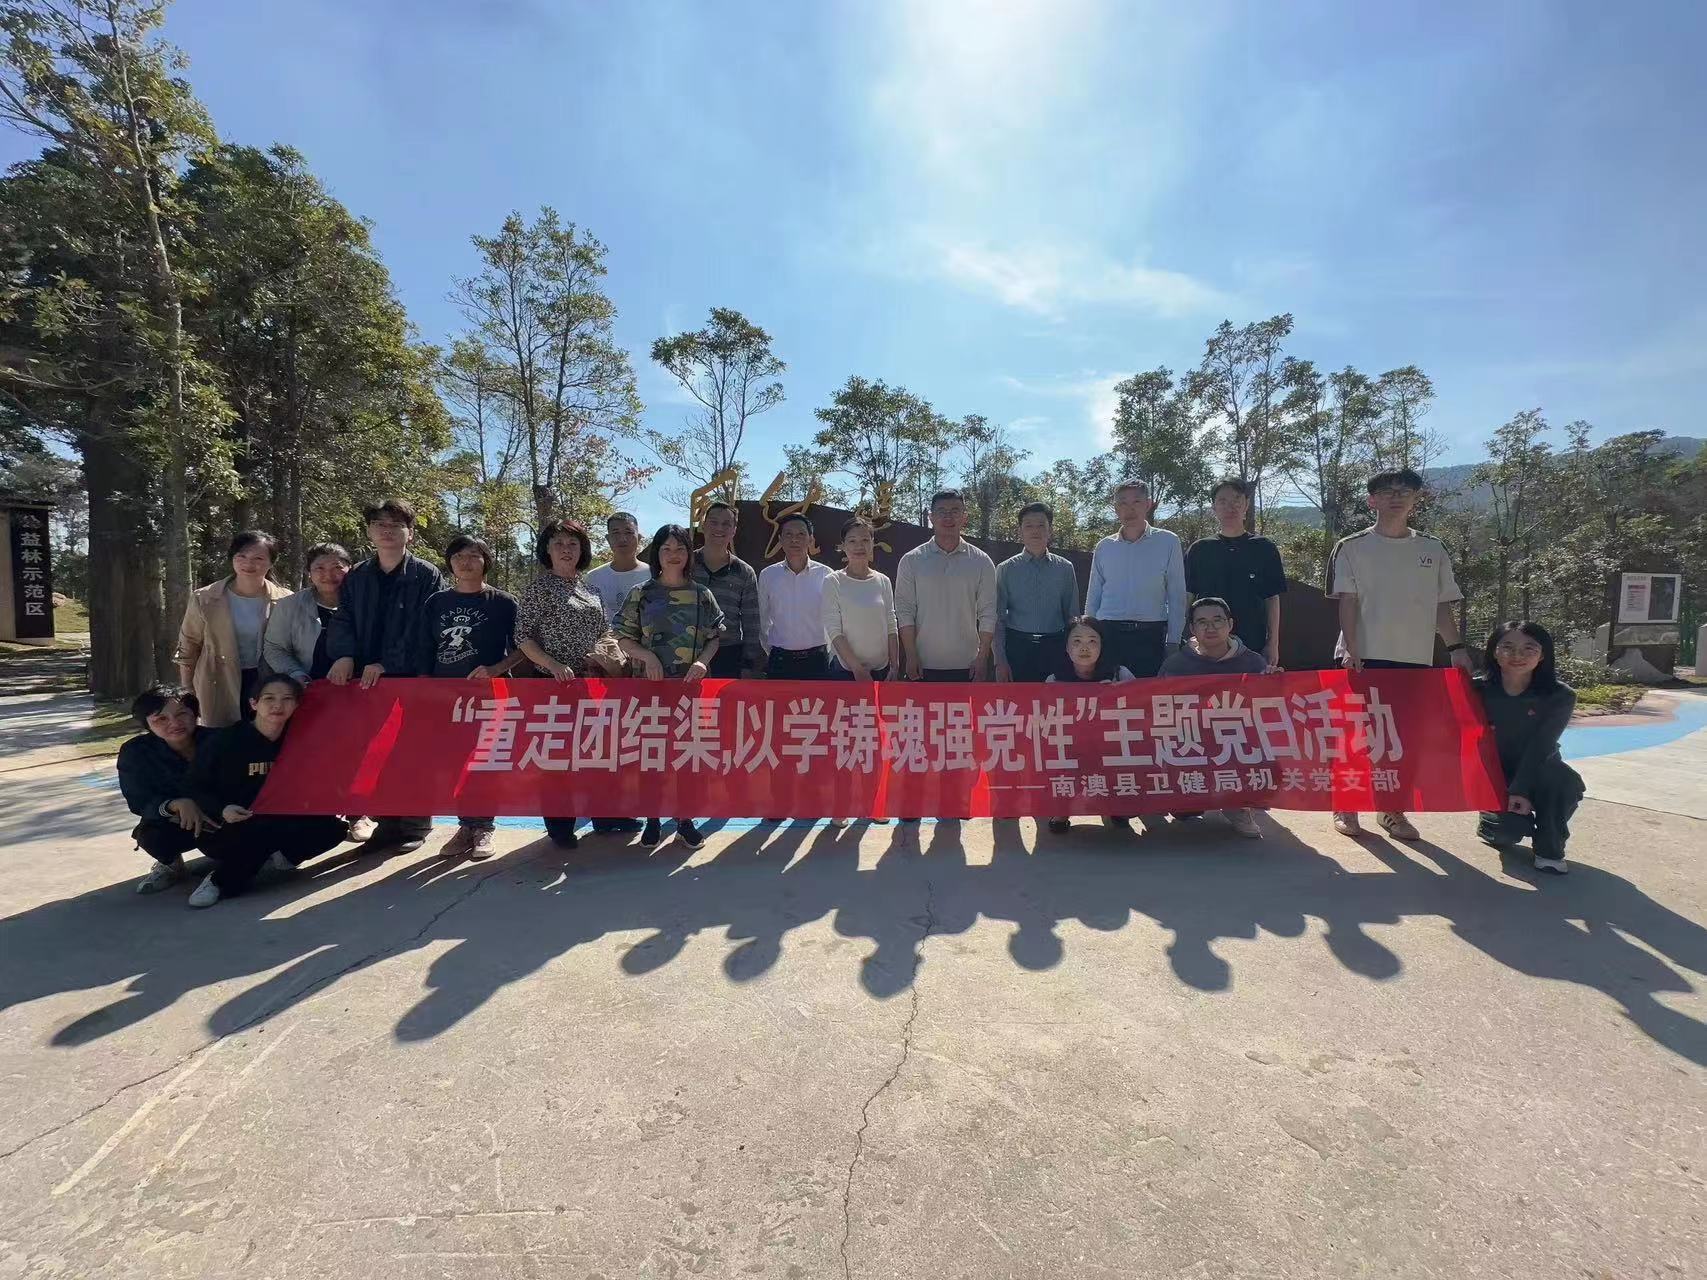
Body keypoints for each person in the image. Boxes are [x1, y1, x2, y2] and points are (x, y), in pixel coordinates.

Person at [1328, 467, 1471, 842]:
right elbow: (1347, 601)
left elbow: (1441, 605)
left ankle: (1391, 809)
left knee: (1402, 740)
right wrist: (1353, 648)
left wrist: (1456, 648)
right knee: (1357, 736)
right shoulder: (1352, 546)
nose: (1396, 497)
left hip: (1414, 659)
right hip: (1363, 657)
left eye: (1404, 491)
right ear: (1372, 500)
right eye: (1388, 491)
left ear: (1415, 499)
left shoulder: (1432, 549)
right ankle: (1346, 803)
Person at [325, 498, 444, 854]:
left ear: (410, 533)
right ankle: (385, 822)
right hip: (365, 682)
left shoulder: (426, 574)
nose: (387, 531)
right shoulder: (358, 576)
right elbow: (343, 617)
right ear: (369, 532)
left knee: (412, 751)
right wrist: (344, 654)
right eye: (380, 524)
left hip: (410, 678)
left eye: (396, 525)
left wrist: (388, 663)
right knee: (372, 752)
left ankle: (414, 824)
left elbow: (425, 627)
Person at [183, 674, 349, 909]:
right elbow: (194, 784)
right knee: (260, 832)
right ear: (254, 703)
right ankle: (218, 881)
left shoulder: (301, 739)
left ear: (297, 705)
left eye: (287, 699)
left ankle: (277, 858)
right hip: (233, 823)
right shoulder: (225, 741)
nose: (277, 705)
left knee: (334, 829)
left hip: (282, 816)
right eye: (269, 698)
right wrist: (222, 809)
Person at [514, 517, 629, 847]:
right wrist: (552, 665)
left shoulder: (590, 589)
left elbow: (604, 630)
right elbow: (523, 637)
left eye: (573, 544)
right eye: (559, 544)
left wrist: (610, 655)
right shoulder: (538, 589)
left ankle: (606, 816)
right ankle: (560, 826)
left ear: (582, 550)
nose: (566, 550)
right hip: (554, 686)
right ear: (547, 550)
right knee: (558, 760)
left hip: (592, 684)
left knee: (597, 754)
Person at [615, 524, 724, 851]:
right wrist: (646, 655)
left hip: (688, 691)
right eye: (666, 549)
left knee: (687, 756)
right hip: (649, 690)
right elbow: (622, 637)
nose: (673, 555)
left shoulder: (701, 595)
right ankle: (652, 819)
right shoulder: (641, 593)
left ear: (689, 554)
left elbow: (714, 638)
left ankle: (685, 820)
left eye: (680, 549)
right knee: (652, 756)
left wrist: (702, 661)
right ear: (657, 554)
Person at [417, 535, 523, 861]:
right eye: (459, 556)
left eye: (473, 555)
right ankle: (465, 826)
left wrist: (496, 669)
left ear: (485, 561)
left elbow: (523, 647)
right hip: (446, 699)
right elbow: (424, 648)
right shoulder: (436, 602)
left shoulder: (504, 602)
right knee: (454, 763)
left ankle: (484, 827)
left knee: (485, 762)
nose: (465, 562)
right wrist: (424, 688)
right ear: (450, 562)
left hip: (490, 697)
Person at [1474, 622, 1585, 875]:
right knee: (1506, 833)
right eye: (1507, 647)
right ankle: (1492, 820)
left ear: (1542, 655)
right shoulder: (1475, 690)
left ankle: (1549, 846)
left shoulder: (1560, 695)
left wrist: (1520, 790)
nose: (1517, 655)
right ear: (1493, 652)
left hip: (1539, 767)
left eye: (1529, 648)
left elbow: (1542, 746)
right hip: (1493, 773)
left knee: (1563, 782)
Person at [1158, 597, 1275, 839]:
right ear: (1192, 628)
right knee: (1184, 811)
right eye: (1202, 622)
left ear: (1230, 624)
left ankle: (1238, 805)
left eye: (1217, 620)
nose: (1210, 627)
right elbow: (1158, 712)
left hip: (1236, 744)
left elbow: (1271, 711)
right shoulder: (1176, 665)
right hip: (1192, 744)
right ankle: (1195, 798)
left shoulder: (1253, 663)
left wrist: (1276, 683)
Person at [174, 530, 292, 727]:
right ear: (232, 558)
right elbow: (189, 645)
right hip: (217, 679)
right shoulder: (204, 598)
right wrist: (187, 688)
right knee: (223, 737)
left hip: (268, 681)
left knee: (267, 735)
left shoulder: (286, 599)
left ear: (271, 562)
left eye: (258, 558)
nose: (249, 564)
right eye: (241, 556)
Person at [116, 684, 218, 894]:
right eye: (161, 719)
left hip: (219, 816)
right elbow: (138, 800)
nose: (174, 723)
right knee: (152, 836)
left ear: (196, 714)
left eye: (182, 714)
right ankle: (171, 865)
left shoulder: (220, 741)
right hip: (174, 821)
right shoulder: (135, 752)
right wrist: (174, 805)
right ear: (147, 723)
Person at [1085, 480, 1188, 679]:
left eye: (1136, 502)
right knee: (1107, 693)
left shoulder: (1168, 542)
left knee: (1147, 694)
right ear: (1116, 508)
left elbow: (1176, 595)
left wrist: (1173, 641)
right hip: (1108, 633)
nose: (1129, 509)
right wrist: (1088, 636)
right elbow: (1093, 595)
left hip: (1150, 635)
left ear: (1148, 504)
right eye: (1123, 503)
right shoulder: (1104, 546)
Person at [1043, 617, 1137, 835]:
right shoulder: (1054, 680)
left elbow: (1142, 710)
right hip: (1071, 747)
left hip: (1112, 747)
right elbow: (1045, 724)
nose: (1084, 648)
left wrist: (1119, 694)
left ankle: (1116, 806)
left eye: (1092, 641)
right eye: (1076, 641)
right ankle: (1062, 810)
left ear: (1102, 645)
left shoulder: (1120, 674)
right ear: (1066, 647)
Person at [895, 489, 997, 682]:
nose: (948, 517)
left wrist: (983, 657)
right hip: (923, 664)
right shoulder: (911, 560)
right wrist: (911, 655)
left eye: (955, 511)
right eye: (941, 511)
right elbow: (905, 610)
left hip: (968, 665)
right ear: (931, 517)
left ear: (964, 517)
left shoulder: (981, 561)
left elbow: (988, 612)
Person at [1184, 479, 1287, 668]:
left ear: (1246, 504)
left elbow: (1272, 598)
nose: (1230, 507)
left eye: (1236, 500)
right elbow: (1187, 597)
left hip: (1252, 644)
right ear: (1214, 508)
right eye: (1222, 501)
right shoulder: (1199, 549)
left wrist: (1273, 643)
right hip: (1207, 647)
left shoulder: (1264, 548)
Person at [994, 501, 1079, 684]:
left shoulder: (1065, 568)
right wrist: (1000, 660)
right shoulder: (1005, 569)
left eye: (1041, 525)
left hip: (1055, 647)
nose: (1035, 531)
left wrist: (1074, 657)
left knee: (1054, 701)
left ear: (1050, 530)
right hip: (1017, 648)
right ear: (1020, 531)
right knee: (1017, 700)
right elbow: (998, 619)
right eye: (1029, 526)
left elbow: (1072, 617)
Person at [822, 516, 899, 682]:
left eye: (865, 540)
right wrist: (856, 668)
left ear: (872, 543)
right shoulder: (833, 581)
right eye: (852, 541)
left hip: (882, 670)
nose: (859, 546)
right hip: (845, 671)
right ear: (843, 545)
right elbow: (833, 629)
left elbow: (891, 624)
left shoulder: (883, 581)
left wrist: (894, 665)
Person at [262, 542, 352, 683]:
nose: (328, 575)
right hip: (308, 687)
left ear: (350, 569)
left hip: (360, 686)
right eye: (319, 568)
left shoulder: (364, 603)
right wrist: (296, 674)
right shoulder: (289, 605)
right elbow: (274, 648)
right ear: (309, 572)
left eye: (337, 567)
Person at [692, 501, 763, 678]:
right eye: (714, 522)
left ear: (734, 530)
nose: (719, 528)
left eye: (726, 524)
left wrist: (748, 664)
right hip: (687, 651)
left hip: (728, 654)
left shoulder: (744, 572)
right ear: (703, 526)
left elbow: (751, 622)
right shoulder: (686, 565)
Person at [758, 512, 832, 679]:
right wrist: (771, 649)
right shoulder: (768, 575)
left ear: (811, 539)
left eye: (801, 534)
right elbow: (763, 619)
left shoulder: (826, 574)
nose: (794, 540)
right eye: (788, 534)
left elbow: (833, 618)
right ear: (780, 540)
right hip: (780, 660)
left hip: (817, 660)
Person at [583, 511, 653, 623]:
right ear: (608, 539)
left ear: (639, 537)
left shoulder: (653, 576)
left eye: (628, 532)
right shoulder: (592, 578)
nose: (622, 539)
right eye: (616, 533)